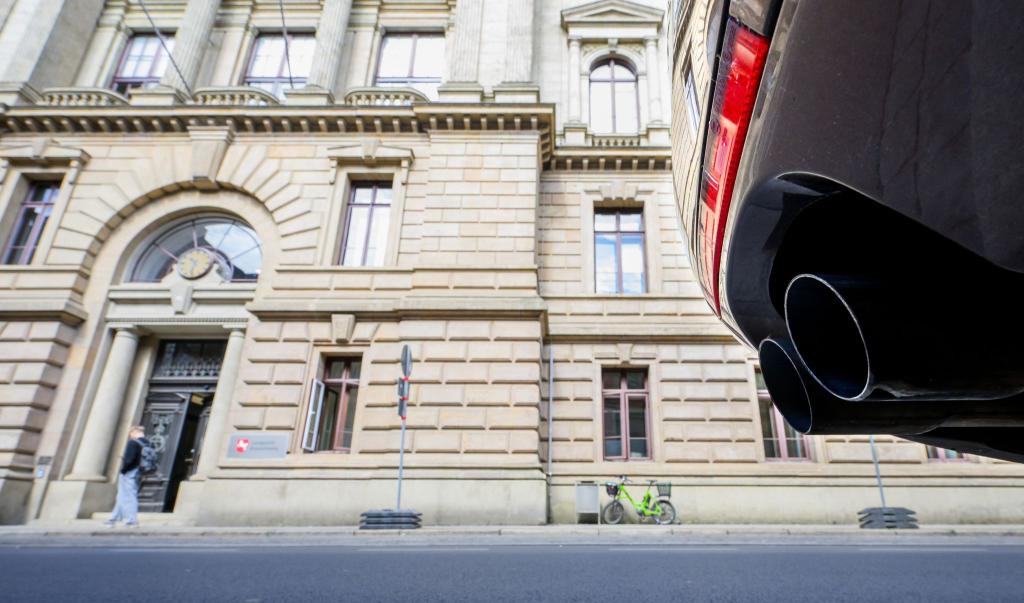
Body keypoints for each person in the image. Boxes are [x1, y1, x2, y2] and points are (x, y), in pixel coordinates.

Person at [104, 425, 149, 527]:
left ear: (134, 432)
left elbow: (129, 460)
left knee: (129, 496)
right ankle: (113, 518)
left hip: (130, 472)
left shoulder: (133, 443)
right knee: (122, 495)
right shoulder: (148, 444)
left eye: (130, 433)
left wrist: (123, 470)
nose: (130, 436)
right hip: (140, 473)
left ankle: (131, 521)